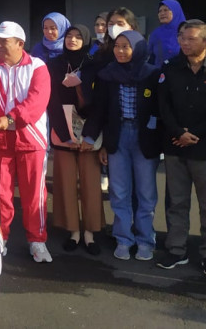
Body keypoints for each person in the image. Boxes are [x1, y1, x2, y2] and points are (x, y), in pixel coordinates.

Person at [157, 20, 206, 275]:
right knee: (177, 202)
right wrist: (179, 132)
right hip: (176, 145)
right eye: (182, 38)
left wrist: (194, 134)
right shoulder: (171, 68)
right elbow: (163, 105)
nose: (184, 43)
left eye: (190, 39)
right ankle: (176, 249)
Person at [83, 31, 161, 261]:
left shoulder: (153, 74)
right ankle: (123, 239)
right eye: (117, 46)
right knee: (119, 192)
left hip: (145, 137)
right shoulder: (107, 75)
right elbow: (100, 110)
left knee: (146, 193)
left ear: (138, 49)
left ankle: (146, 240)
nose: (120, 51)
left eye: (126, 47)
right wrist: (94, 139)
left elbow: (161, 108)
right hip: (118, 137)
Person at [0, 21, 53, 262]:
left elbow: (36, 103)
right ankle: (1, 237)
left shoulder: (38, 67)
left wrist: (9, 118)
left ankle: (37, 241)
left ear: (20, 44)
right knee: (0, 194)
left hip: (32, 139)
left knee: (34, 195)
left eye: (4, 41)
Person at [47, 24, 104, 255]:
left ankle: (90, 233)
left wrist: (88, 134)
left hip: (90, 131)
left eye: (78, 36)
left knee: (90, 185)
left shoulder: (96, 66)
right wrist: (64, 133)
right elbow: (50, 101)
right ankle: (73, 231)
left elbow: (101, 103)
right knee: (66, 184)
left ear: (86, 39)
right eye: (69, 35)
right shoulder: (55, 64)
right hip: (63, 131)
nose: (72, 39)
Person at [147, 0, 186, 66]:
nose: (162, 13)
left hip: (183, 73)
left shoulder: (187, 31)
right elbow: (149, 56)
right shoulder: (156, 34)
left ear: (175, 11)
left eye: (166, 10)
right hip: (160, 74)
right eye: (160, 11)